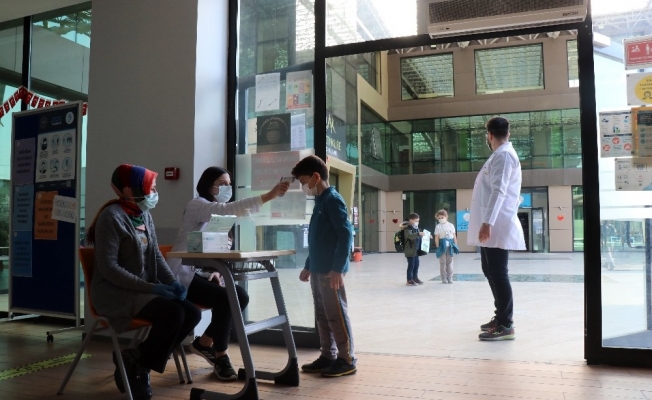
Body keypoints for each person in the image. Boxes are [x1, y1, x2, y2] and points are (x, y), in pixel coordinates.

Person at [86, 164, 201, 400]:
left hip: (141, 290)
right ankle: (141, 368)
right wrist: (154, 287)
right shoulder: (111, 217)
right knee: (172, 314)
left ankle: (136, 359)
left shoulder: (144, 214)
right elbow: (109, 269)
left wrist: (172, 282)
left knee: (192, 313)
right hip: (115, 292)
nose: (155, 193)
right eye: (152, 187)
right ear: (130, 189)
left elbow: (155, 255)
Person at [166, 166, 289, 380]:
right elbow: (226, 210)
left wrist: (214, 272)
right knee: (227, 298)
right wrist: (269, 195)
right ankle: (220, 355)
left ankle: (205, 342)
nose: (227, 188)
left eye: (229, 184)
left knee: (240, 295)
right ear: (208, 185)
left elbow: (211, 250)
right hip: (181, 275)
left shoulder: (216, 213)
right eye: (222, 184)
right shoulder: (198, 204)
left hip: (199, 273)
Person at [291, 155, 356, 377]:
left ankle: (347, 359)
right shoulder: (320, 201)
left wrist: (338, 269)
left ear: (316, 177)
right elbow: (317, 239)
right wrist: (309, 264)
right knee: (322, 314)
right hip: (319, 269)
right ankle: (328, 355)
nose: (303, 186)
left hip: (331, 272)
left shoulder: (332, 200)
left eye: (303, 181)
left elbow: (345, 235)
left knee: (336, 314)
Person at [467, 116, 525, 341]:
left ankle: (506, 323)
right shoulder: (500, 155)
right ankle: (500, 316)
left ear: (489, 135)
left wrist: (487, 222)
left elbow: (499, 191)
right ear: (508, 133)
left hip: (497, 224)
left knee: (498, 272)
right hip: (493, 222)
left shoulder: (504, 156)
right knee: (489, 269)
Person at [434, 209, 459, 284]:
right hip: (442, 245)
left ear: (446, 217)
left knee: (450, 262)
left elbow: (454, 236)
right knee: (442, 263)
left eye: (442, 217)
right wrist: (437, 246)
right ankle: (444, 278)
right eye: (439, 218)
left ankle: (450, 277)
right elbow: (436, 237)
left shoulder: (451, 225)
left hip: (450, 245)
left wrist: (455, 245)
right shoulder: (438, 226)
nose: (441, 219)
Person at [401, 213, 426, 286]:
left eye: (418, 221)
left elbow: (419, 236)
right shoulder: (407, 229)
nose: (417, 222)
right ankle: (409, 279)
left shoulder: (416, 228)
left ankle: (415, 278)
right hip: (410, 250)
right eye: (415, 221)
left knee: (416, 265)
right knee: (411, 265)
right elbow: (410, 236)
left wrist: (426, 235)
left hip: (416, 250)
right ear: (411, 220)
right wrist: (419, 234)